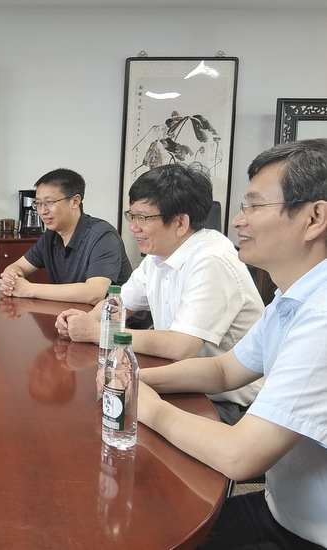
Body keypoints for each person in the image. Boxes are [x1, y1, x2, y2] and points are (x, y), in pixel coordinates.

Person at [138, 139, 327, 549]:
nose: (238, 220)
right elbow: (224, 369)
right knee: (155, 522)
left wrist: (146, 405)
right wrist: (137, 378)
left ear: (314, 218)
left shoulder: (322, 317)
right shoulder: (293, 296)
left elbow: (241, 457)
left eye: (254, 206)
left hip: (310, 535)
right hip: (282, 508)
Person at [56, 163, 264, 425]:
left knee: (106, 425)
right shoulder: (158, 254)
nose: (133, 227)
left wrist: (98, 332)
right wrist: (85, 320)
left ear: (180, 222)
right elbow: (119, 305)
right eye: (131, 216)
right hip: (178, 378)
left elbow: (182, 346)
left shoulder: (211, 259)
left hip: (224, 403)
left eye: (143, 218)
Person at [0, 169, 133, 305]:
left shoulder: (103, 237)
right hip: (70, 314)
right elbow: (17, 266)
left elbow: (94, 293)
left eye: (50, 202)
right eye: (38, 203)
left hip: (116, 317)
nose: (42, 211)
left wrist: (28, 289)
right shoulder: (51, 235)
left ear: (75, 201)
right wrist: (10, 278)